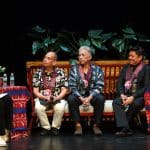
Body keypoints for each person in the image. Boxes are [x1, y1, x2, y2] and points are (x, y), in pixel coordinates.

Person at [67, 46, 105, 136]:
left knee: (100, 98)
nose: (80, 57)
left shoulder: (97, 69)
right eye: (79, 55)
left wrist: (89, 97)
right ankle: (78, 125)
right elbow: (72, 86)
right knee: (71, 99)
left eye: (83, 55)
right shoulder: (74, 69)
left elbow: (99, 85)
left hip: (92, 95)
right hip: (79, 95)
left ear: (90, 57)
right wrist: (80, 97)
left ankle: (96, 125)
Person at [112, 46, 150, 136]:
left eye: (132, 56)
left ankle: (125, 128)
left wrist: (133, 97)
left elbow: (146, 87)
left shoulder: (146, 68)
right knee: (116, 102)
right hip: (125, 94)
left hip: (139, 96)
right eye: (129, 56)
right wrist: (121, 94)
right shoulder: (126, 67)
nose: (130, 58)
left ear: (140, 57)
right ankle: (126, 127)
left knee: (135, 104)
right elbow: (119, 83)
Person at [32, 51, 68, 136]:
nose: (45, 60)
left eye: (48, 58)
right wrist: (44, 97)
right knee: (38, 107)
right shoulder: (38, 73)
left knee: (60, 107)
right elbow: (35, 91)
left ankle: (55, 127)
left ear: (54, 62)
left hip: (57, 98)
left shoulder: (61, 72)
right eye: (45, 57)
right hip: (42, 98)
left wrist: (57, 98)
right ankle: (45, 127)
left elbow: (64, 90)